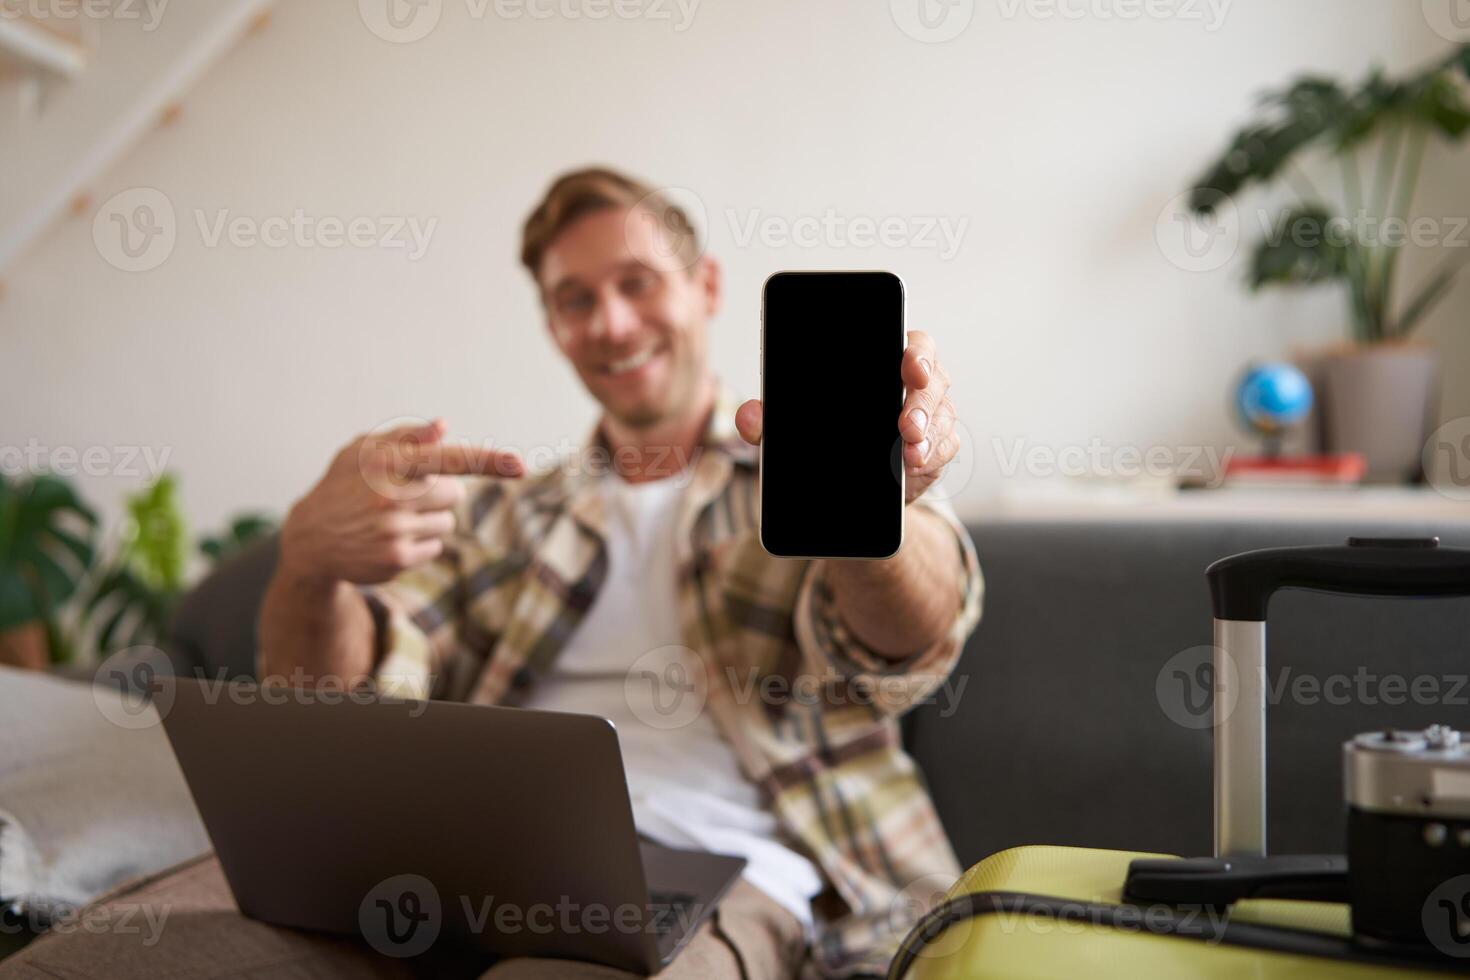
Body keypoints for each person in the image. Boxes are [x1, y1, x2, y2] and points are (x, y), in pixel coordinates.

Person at [1, 168, 981, 980]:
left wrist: (878, 521)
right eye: (574, 298)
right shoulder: (506, 509)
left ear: (707, 287)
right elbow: (346, 698)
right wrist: (309, 567)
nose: (611, 320)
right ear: (553, 326)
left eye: (639, 280)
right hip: (458, 856)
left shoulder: (806, 474)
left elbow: (901, 644)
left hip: (718, 870)